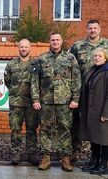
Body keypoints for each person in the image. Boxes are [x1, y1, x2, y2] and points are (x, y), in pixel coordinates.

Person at [31, 32, 81, 171]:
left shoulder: (70, 58)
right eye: (53, 40)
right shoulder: (41, 59)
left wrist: (75, 99)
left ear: (61, 41)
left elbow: (76, 80)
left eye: (57, 39)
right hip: (46, 101)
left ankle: (65, 159)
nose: (55, 42)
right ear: (49, 41)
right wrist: (35, 99)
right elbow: (34, 81)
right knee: (45, 129)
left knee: (65, 130)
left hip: (65, 102)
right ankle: (45, 158)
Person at [70, 19, 108, 162]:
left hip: (101, 92)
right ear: (87, 30)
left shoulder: (106, 45)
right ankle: (75, 151)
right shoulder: (77, 46)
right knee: (77, 123)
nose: (92, 30)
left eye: (95, 28)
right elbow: (70, 66)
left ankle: (101, 160)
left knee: (101, 125)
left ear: (100, 29)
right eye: (90, 28)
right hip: (81, 92)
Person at [4, 39, 39, 165]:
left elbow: (38, 82)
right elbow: (7, 80)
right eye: (21, 47)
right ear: (18, 48)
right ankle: (16, 153)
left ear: (30, 48)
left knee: (32, 129)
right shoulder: (11, 64)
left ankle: (31, 153)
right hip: (16, 103)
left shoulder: (35, 64)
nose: (23, 49)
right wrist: (16, 92)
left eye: (26, 47)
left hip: (31, 103)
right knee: (15, 129)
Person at [79, 48, 108, 175]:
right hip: (91, 111)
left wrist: (106, 113)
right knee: (94, 138)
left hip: (102, 112)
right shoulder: (92, 70)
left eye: (100, 56)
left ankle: (103, 165)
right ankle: (95, 162)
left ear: (105, 58)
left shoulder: (106, 71)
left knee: (104, 139)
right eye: (95, 56)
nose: (97, 58)